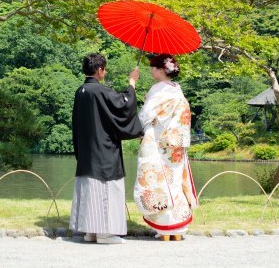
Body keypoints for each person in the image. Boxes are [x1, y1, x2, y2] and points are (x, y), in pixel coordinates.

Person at [70, 53, 144, 244]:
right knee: (105, 190)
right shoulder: (100, 91)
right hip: (103, 150)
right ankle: (104, 233)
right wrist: (132, 82)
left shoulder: (81, 91)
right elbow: (124, 106)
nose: (105, 71)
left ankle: (90, 232)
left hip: (87, 149)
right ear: (99, 70)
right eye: (105, 68)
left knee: (89, 189)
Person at [132, 53, 197, 241]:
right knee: (175, 182)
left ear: (161, 70)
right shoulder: (177, 90)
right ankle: (178, 228)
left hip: (159, 143)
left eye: (153, 68)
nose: (151, 71)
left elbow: (145, 115)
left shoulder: (158, 90)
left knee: (159, 182)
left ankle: (165, 228)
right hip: (176, 144)